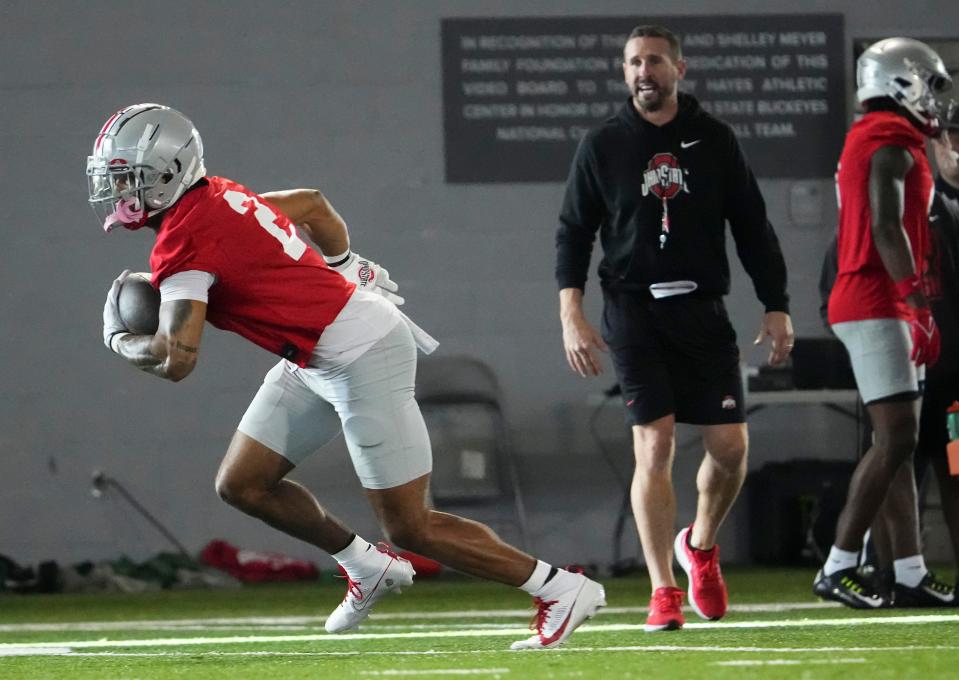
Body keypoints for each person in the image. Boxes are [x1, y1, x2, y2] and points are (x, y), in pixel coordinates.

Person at [89, 103, 606, 649]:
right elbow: (312, 205)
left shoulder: (183, 243)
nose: (119, 191)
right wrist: (343, 265)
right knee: (242, 484)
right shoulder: (216, 193)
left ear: (169, 173)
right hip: (315, 353)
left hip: (362, 352)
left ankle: (561, 588)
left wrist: (122, 341)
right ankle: (366, 565)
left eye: (128, 178)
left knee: (410, 526)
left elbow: (178, 359)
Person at [555, 25, 793, 632]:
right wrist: (572, 314)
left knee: (730, 448)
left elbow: (752, 225)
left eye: (655, 61)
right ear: (624, 72)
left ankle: (701, 548)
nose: (644, 71)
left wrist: (776, 303)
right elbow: (573, 232)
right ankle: (663, 589)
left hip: (703, 311)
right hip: (633, 311)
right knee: (654, 444)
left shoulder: (714, 140)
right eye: (634, 62)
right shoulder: (603, 143)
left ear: (679, 69)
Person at [813, 37, 954, 608]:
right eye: (932, 84)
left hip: (876, 298)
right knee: (898, 437)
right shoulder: (889, 140)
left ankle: (909, 572)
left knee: (897, 440)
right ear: (904, 80)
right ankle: (840, 563)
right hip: (875, 299)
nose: (937, 99)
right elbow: (886, 226)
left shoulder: (883, 137)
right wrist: (917, 302)